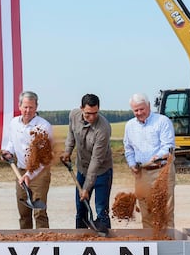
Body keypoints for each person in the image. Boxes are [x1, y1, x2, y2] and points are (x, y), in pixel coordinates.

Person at [61, 93, 113, 232]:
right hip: (82, 169)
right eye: (88, 113)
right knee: (81, 210)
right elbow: (71, 134)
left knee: (101, 210)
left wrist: (86, 188)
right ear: (81, 108)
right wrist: (67, 151)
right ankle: (80, 240)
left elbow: (96, 161)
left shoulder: (103, 128)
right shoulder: (73, 115)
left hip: (102, 172)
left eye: (95, 113)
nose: (92, 117)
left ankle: (105, 241)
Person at [123, 93, 176, 229]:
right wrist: (132, 164)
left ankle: (168, 243)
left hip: (162, 171)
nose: (139, 113)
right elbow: (128, 149)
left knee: (165, 210)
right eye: (136, 110)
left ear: (149, 106)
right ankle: (150, 241)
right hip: (142, 173)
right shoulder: (130, 126)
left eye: (142, 109)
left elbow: (168, 146)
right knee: (146, 212)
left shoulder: (162, 121)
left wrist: (157, 156)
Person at [2, 91, 52, 229]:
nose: (28, 110)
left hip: (39, 173)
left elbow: (44, 158)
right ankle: (25, 241)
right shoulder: (13, 123)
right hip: (20, 171)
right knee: (23, 213)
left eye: (31, 107)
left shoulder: (43, 127)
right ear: (19, 106)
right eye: (25, 107)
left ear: (36, 107)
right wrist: (8, 151)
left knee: (39, 212)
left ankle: (43, 240)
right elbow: (12, 142)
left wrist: (29, 175)